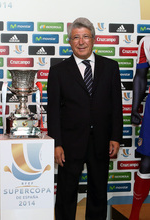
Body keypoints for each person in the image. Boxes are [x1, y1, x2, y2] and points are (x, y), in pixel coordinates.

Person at [47, 17, 123, 220]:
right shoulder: (58, 71)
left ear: (93, 39)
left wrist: (116, 137)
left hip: (102, 141)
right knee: (66, 193)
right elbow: (53, 111)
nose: (81, 42)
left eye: (85, 37)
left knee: (98, 192)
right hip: (70, 144)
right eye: (75, 38)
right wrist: (57, 143)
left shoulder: (111, 67)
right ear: (70, 42)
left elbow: (117, 106)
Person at [129, 35, 150, 220]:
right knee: (147, 159)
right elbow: (140, 76)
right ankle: (134, 215)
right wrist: (135, 107)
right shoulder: (147, 41)